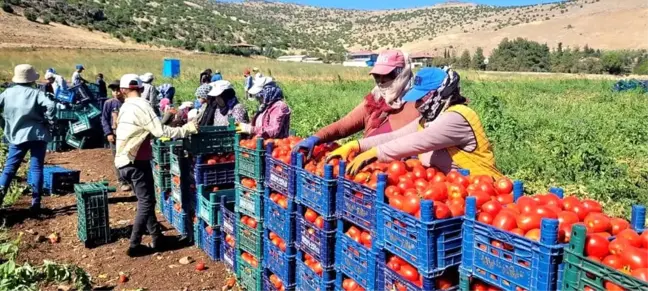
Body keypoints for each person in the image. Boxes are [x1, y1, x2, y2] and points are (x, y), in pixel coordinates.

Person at [338, 67, 503, 178]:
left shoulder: (457, 117)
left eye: (421, 98)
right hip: (454, 191)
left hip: (484, 192)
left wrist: (375, 153)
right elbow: (396, 137)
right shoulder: (428, 119)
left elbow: (418, 141)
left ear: (440, 92)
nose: (416, 104)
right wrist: (357, 145)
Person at [114, 74, 198, 257]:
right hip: (135, 161)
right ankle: (134, 245)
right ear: (142, 88)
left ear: (123, 90)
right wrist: (185, 129)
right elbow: (159, 131)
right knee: (147, 202)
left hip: (122, 161)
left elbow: (145, 131)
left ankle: (157, 237)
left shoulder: (125, 107)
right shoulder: (142, 105)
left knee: (146, 199)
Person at [292, 50, 418, 157]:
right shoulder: (375, 100)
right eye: (376, 76)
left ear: (402, 73)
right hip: (365, 169)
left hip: (396, 176)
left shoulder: (417, 103)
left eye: (387, 75)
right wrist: (317, 137)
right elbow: (345, 124)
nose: (380, 81)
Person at [0, 64, 56, 213]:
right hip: (37, 134)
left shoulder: (6, 94)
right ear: (31, 79)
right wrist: (49, 121)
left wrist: (3, 124)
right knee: (36, 168)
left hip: (16, 135)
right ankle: (35, 203)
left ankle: (0, 196)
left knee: (9, 169)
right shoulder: (36, 93)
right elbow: (51, 106)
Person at [101, 80, 131, 192]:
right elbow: (104, 119)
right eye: (114, 90)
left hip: (128, 135)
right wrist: (108, 132)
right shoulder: (109, 103)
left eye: (118, 90)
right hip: (115, 135)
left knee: (129, 156)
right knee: (117, 158)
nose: (116, 92)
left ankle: (130, 178)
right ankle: (122, 180)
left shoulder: (128, 103)